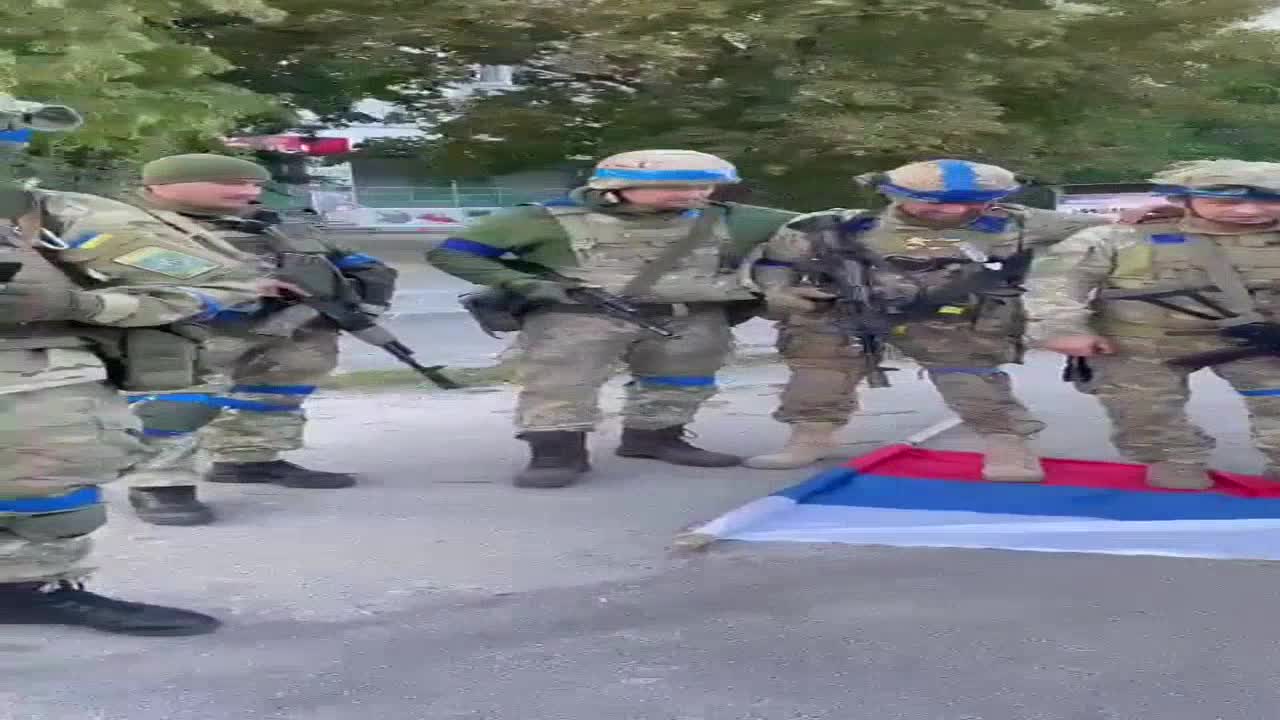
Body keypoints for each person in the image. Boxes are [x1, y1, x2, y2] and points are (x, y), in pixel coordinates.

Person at [41, 153, 397, 525]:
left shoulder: (275, 226)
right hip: (181, 329)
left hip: (283, 330)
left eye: (255, 185)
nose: (249, 191)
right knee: (175, 405)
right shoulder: (122, 224)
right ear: (163, 187)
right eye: (232, 183)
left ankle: (249, 458)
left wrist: (357, 283)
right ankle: (159, 484)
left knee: (276, 393)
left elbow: (344, 262)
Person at [427, 149, 797, 488]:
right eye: (680, 187)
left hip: (689, 316)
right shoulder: (541, 219)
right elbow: (453, 253)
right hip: (578, 317)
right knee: (560, 384)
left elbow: (821, 224)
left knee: (681, 380)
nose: (696, 194)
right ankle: (556, 454)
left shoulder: (732, 219)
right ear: (619, 187)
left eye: (705, 185)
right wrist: (521, 282)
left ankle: (655, 439)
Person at [745, 159, 1111, 479]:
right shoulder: (836, 226)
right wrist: (781, 293)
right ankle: (809, 437)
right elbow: (775, 261)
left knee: (972, 383)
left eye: (967, 205)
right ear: (892, 194)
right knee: (818, 375)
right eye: (931, 203)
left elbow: (1111, 233)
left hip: (957, 321)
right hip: (847, 312)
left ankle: (1007, 445)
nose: (948, 212)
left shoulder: (1020, 224)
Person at [0, 186, 231, 635]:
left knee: (50, 469)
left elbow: (202, 287)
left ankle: (24, 590)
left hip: (32, 367)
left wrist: (84, 304)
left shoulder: (51, 213)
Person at [1026, 159, 1280, 489]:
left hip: (1260, 343)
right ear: (1183, 199)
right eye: (1226, 202)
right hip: (1139, 344)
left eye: (1268, 201)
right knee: (1143, 411)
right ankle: (1175, 458)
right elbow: (1057, 279)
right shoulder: (1121, 237)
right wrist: (1061, 328)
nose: (1248, 212)